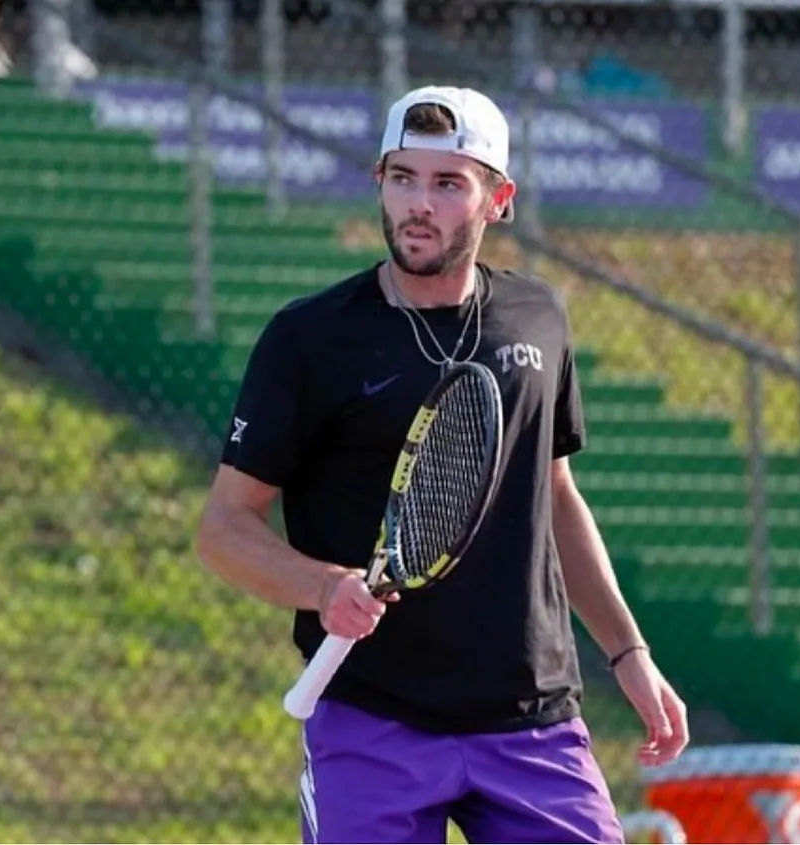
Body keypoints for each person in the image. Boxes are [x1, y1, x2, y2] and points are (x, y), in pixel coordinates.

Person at [193, 84, 691, 845]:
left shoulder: (539, 318)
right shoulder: (310, 338)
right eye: (403, 178)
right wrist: (322, 586)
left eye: (449, 183)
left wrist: (629, 650)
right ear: (380, 183)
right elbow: (225, 528)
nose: (418, 204)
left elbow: (555, 496)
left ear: (499, 199)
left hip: (531, 717)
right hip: (372, 718)